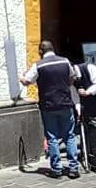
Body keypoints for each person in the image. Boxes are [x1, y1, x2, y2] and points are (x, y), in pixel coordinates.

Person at [21, 42, 80, 178]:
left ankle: (57, 169)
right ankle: (73, 168)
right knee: (70, 136)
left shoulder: (39, 65)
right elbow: (72, 78)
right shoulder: (65, 62)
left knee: (52, 137)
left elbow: (27, 81)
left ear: (41, 51)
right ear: (53, 49)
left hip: (48, 106)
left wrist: (21, 77)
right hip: (66, 104)